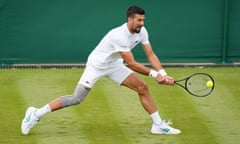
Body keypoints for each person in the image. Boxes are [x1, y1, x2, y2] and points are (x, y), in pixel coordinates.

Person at [21, 5, 181, 135]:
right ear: (130, 19)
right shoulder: (118, 35)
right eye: (139, 20)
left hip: (114, 64)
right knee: (77, 98)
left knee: (142, 87)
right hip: (97, 65)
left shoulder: (142, 32)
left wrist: (164, 74)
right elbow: (131, 64)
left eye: (143, 20)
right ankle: (35, 114)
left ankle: (158, 125)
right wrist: (155, 75)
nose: (142, 23)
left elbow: (150, 54)